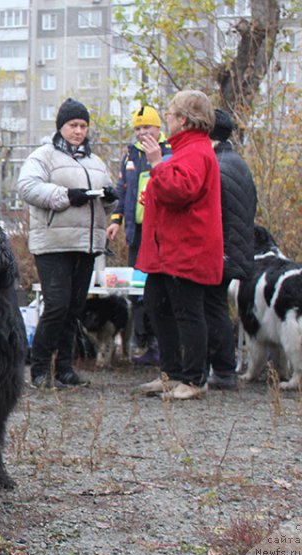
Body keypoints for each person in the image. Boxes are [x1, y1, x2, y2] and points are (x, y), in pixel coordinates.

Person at [17, 98, 117, 389]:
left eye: (83, 126)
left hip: (85, 244)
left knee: (74, 309)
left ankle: (64, 368)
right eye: (73, 125)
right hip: (54, 243)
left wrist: (109, 198)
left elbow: (105, 203)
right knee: (57, 305)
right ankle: (39, 368)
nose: (79, 131)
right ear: (61, 127)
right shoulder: (43, 156)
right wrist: (65, 195)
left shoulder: (95, 162)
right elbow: (28, 187)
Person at [133, 90, 222, 401]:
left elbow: (180, 190)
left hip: (187, 248)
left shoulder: (196, 151)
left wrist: (157, 163)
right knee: (157, 306)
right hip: (166, 249)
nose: (166, 118)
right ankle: (170, 374)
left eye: (169, 114)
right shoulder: (187, 149)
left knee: (187, 312)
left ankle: (194, 379)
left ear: (183, 120)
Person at [106, 105, 171, 366]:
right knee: (138, 290)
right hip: (138, 233)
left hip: (162, 235)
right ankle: (142, 342)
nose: (143, 132)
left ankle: (160, 342)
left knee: (160, 290)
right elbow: (123, 190)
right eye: (138, 128)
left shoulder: (169, 152)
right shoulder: (131, 155)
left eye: (147, 127)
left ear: (159, 128)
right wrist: (116, 221)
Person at [205, 109, 257, 390]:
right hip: (235, 248)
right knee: (216, 306)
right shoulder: (236, 162)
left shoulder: (218, 166)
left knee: (211, 307)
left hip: (220, 250)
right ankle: (222, 368)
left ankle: (222, 370)